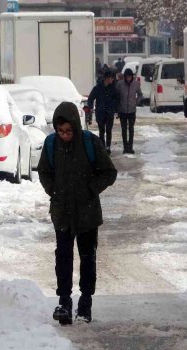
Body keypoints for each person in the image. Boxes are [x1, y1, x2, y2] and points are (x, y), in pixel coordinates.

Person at [37, 102, 117, 324]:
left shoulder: (90, 143)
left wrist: (91, 189)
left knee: (87, 257)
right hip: (62, 211)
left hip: (87, 212)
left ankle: (85, 301)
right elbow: (44, 171)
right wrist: (53, 189)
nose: (64, 135)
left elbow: (109, 172)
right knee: (62, 256)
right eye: (61, 131)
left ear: (75, 126)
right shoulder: (51, 144)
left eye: (68, 131)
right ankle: (64, 301)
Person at [87, 71, 119, 154]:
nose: (112, 80)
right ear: (107, 78)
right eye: (111, 78)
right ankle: (102, 147)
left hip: (109, 113)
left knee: (109, 130)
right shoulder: (98, 88)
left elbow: (117, 99)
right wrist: (90, 107)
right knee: (101, 131)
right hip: (100, 113)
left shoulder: (113, 88)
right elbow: (90, 98)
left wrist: (115, 108)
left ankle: (108, 146)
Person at [115, 68, 143, 154]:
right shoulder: (120, 84)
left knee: (131, 129)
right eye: (127, 77)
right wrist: (118, 106)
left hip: (132, 110)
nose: (128, 78)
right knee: (124, 130)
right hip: (122, 110)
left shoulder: (136, 84)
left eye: (130, 77)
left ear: (132, 77)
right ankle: (125, 147)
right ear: (124, 77)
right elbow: (116, 96)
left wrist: (136, 102)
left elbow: (140, 94)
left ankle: (130, 147)